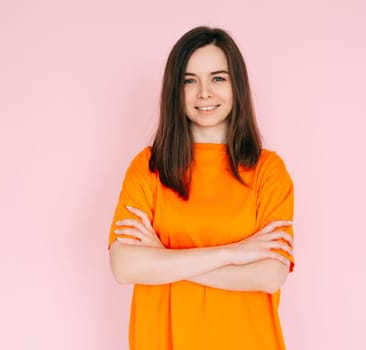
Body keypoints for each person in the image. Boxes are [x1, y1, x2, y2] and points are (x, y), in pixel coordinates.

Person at [108, 26, 295, 350]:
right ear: (174, 90)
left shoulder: (268, 170)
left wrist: (162, 260)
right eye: (189, 80)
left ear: (237, 85)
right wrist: (233, 254)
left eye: (218, 78)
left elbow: (269, 275)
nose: (204, 93)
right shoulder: (149, 167)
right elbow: (124, 267)